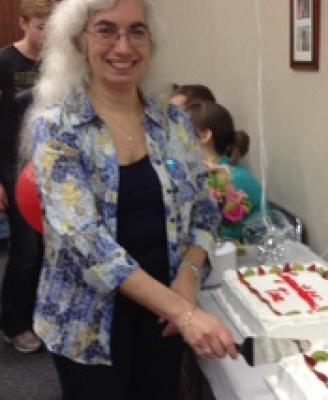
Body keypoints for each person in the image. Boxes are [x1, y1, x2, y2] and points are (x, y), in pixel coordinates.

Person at [20, 0, 237, 399]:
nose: (124, 47)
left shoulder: (173, 122)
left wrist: (186, 283)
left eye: (137, 31)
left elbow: (204, 210)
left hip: (162, 316)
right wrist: (182, 311)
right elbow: (85, 241)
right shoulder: (57, 127)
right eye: (106, 30)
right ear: (78, 42)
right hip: (87, 326)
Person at [0, 0, 57, 354]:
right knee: (26, 247)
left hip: (49, 161)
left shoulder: (59, 61)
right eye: (40, 25)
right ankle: (13, 322)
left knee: (51, 245)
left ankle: (40, 315)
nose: (46, 33)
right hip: (11, 162)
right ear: (23, 23)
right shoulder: (4, 61)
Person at [182, 101, 263, 241]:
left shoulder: (235, 178)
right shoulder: (197, 171)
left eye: (181, 128)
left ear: (204, 135)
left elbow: (219, 234)